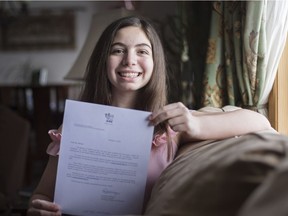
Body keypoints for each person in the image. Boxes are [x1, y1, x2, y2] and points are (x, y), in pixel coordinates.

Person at [27, 15, 272, 216]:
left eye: (142, 51)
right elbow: (40, 196)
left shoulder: (169, 125)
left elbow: (258, 121)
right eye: (118, 50)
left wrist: (195, 125)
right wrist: (39, 209)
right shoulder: (74, 125)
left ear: (155, 62)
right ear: (104, 60)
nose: (129, 61)